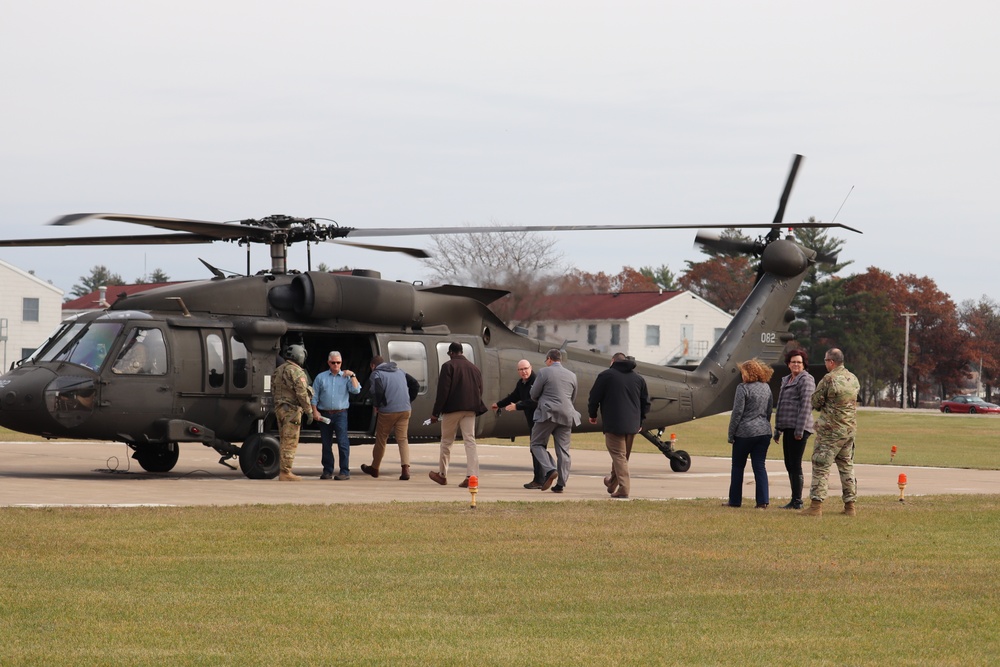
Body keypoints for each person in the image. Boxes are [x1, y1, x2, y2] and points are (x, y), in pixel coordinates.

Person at [802, 348, 861, 517]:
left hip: (830, 431)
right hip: (848, 430)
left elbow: (816, 401)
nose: (825, 363)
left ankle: (816, 506)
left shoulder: (829, 379)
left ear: (831, 362)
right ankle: (850, 506)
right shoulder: (853, 378)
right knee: (847, 467)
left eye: (826, 360)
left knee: (821, 466)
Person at [588, 352, 650, 499]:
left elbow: (594, 397)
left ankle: (624, 488)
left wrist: (592, 415)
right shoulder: (639, 379)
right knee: (622, 457)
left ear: (612, 361)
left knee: (619, 456)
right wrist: (640, 421)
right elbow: (645, 403)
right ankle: (611, 482)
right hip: (633, 425)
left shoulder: (606, 376)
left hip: (614, 424)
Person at [428, 342, 488, 487]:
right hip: (471, 409)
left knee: (447, 441)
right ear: (462, 351)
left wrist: (436, 413)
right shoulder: (475, 368)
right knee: (470, 441)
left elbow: (443, 392)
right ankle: (471, 475)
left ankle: (442, 475)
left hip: (452, 409)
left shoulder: (448, 366)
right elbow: (480, 390)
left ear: (451, 353)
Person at [360, 355, 420, 481]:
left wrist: (377, 405)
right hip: (405, 410)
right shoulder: (400, 371)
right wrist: (408, 400)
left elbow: (378, 391)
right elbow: (415, 384)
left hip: (388, 411)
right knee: (402, 439)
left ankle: (375, 468)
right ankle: (405, 469)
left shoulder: (376, 374)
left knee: (381, 439)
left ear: (372, 365)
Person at [725, 358, 775, 508]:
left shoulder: (743, 388)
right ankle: (763, 501)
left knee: (738, 466)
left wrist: (731, 433)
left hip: (745, 433)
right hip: (764, 432)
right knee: (759, 466)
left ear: (748, 373)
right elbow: (769, 410)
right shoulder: (766, 387)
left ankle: (735, 501)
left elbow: (737, 412)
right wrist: (764, 424)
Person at [529, 348, 580, 494]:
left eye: (546, 360)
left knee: (536, 443)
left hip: (548, 413)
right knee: (563, 450)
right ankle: (561, 484)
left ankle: (550, 468)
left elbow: (534, 394)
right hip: (567, 414)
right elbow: (572, 398)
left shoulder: (544, 372)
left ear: (550, 359)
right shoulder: (572, 375)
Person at [773, 348, 816, 509]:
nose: (796, 364)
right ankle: (794, 498)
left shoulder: (806, 379)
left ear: (804, 364)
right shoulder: (787, 380)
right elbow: (781, 405)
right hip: (787, 427)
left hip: (799, 429)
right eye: (793, 362)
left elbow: (806, 405)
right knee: (788, 463)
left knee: (795, 464)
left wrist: (799, 430)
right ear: (788, 364)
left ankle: (797, 500)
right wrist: (778, 429)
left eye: (799, 362)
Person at [491, 359, 541, 489]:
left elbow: (534, 401)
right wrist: (499, 404)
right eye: (521, 369)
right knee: (536, 448)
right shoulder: (522, 383)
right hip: (533, 421)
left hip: (541, 420)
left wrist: (517, 407)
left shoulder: (536, 382)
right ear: (518, 371)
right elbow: (514, 396)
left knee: (537, 448)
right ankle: (544, 476)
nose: (524, 372)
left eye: (526, 368)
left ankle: (540, 479)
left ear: (531, 367)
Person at [311, 351, 361, 480]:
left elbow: (356, 390)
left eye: (338, 362)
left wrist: (353, 375)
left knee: (343, 442)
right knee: (326, 444)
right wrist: (314, 411)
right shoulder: (321, 377)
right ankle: (327, 470)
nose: (336, 365)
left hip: (340, 414)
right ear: (329, 363)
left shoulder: (346, 377)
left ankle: (344, 471)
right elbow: (314, 396)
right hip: (325, 414)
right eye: (333, 362)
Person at [273, 344, 313, 481]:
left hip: (280, 409)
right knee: (290, 441)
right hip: (292, 411)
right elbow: (302, 393)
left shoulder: (278, 370)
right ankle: (285, 472)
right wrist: (309, 411)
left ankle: (283, 470)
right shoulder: (296, 372)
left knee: (283, 440)